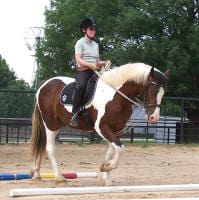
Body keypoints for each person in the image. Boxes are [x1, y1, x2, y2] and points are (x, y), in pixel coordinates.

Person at [70, 17, 107, 126]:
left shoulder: (96, 45)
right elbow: (78, 59)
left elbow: (97, 61)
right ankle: (74, 113)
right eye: (90, 29)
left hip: (95, 71)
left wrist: (104, 63)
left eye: (94, 29)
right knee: (81, 86)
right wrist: (89, 65)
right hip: (83, 71)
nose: (93, 31)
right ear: (84, 30)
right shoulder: (79, 43)